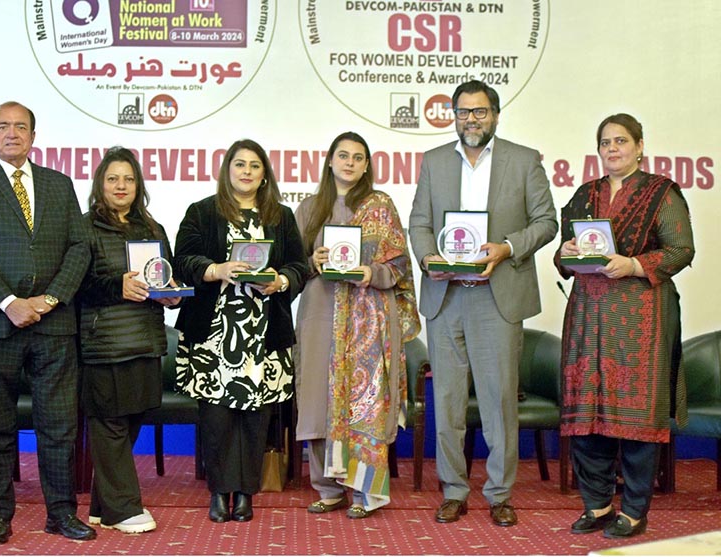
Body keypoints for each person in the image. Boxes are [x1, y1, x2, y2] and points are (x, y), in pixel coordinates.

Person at [408, 80, 557, 527]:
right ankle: (453, 490)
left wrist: (508, 247)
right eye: (463, 112)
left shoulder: (524, 160)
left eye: (480, 111)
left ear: (495, 114)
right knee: (448, 403)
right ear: (453, 115)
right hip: (446, 295)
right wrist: (427, 256)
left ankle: (499, 493)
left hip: (497, 297)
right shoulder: (434, 161)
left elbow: (546, 222)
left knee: (498, 404)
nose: (471, 119)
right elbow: (419, 222)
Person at [0, 101, 94, 544]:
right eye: (3, 126)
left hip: (52, 325)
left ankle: (62, 514)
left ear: (34, 135)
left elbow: (79, 248)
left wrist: (49, 300)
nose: (12, 133)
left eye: (21, 126)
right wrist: (9, 302)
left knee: (59, 427)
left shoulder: (59, 184)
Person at [555, 114, 695, 539]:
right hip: (587, 318)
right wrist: (565, 250)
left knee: (636, 418)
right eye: (605, 142)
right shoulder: (584, 195)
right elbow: (564, 259)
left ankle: (633, 511)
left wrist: (633, 264)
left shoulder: (661, 193)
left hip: (640, 320)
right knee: (586, 417)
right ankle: (596, 505)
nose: (612, 149)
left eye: (621, 141)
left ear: (639, 146)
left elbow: (681, 250)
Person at [171, 139, 308, 523]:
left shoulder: (280, 216)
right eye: (239, 164)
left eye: (254, 165)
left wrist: (280, 280)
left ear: (264, 174)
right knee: (217, 420)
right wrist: (217, 270)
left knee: (255, 421)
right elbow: (182, 260)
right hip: (213, 336)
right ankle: (219, 492)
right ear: (227, 170)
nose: (246, 171)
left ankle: (246, 494)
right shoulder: (202, 212)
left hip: (263, 336)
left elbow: (299, 265)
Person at [294, 132, 421, 518]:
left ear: (367, 165)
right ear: (329, 160)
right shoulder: (309, 208)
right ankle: (328, 488)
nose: (349, 162)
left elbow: (400, 265)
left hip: (368, 318)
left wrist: (370, 272)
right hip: (320, 312)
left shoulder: (380, 205)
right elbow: (290, 267)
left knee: (364, 402)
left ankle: (366, 492)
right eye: (343, 155)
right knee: (318, 398)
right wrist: (312, 260)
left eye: (358, 157)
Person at [77, 147, 182, 533]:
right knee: (109, 424)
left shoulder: (153, 230)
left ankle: (103, 506)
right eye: (112, 179)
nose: (121, 186)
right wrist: (116, 286)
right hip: (102, 343)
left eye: (129, 179)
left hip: (145, 339)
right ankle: (123, 509)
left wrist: (170, 295)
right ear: (99, 185)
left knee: (132, 418)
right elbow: (77, 286)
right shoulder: (82, 227)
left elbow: (162, 280)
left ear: (138, 186)